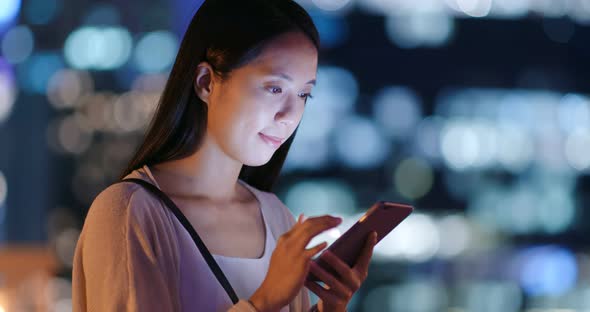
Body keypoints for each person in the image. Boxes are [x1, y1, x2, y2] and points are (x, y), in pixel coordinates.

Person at [72, 0, 378, 311]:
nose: (289, 115)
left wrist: (329, 307)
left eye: (303, 94)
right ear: (206, 82)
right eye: (274, 88)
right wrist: (265, 301)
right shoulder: (130, 212)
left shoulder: (277, 219)